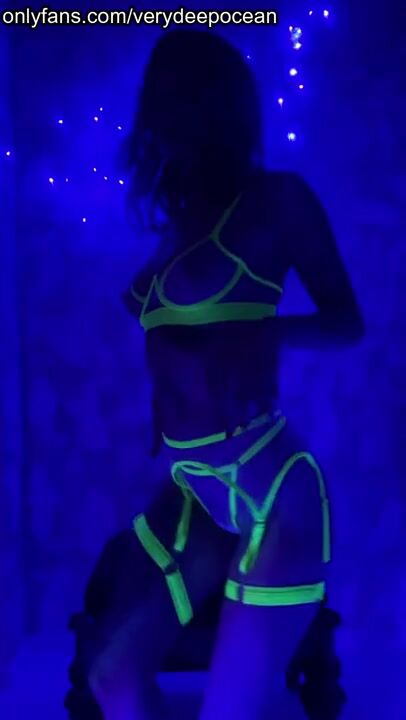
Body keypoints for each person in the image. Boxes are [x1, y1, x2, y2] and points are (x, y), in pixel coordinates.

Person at [72, 28, 363, 719]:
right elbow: (159, 318)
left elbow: (347, 321)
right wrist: (172, 378)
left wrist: (263, 334)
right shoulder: (182, 222)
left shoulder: (278, 201)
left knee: (228, 712)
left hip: (273, 488)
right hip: (194, 488)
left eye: (168, 104)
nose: (155, 124)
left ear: (207, 107)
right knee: (112, 679)